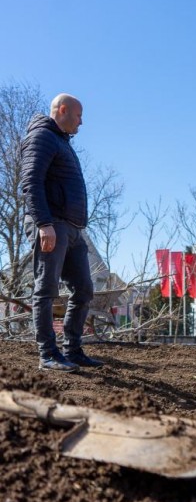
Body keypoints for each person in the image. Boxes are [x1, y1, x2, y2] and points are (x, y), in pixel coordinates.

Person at [20, 93, 103, 372]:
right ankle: (48, 354)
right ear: (63, 110)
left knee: (83, 289)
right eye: (78, 116)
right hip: (52, 224)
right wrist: (44, 224)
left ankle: (73, 350)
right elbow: (31, 182)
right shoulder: (42, 137)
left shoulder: (62, 142)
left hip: (73, 230)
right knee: (46, 290)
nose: (82, 122)